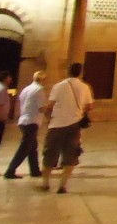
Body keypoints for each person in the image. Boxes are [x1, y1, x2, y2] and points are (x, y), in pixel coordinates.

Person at [40, 62, 93, 194]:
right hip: (75, 125)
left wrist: (49, 119)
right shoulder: (85, 87)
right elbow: (89, 106)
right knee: (71, 155)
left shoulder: (59, 86)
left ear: (68, 71)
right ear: (81, 73)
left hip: (57, 124)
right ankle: (62, 186)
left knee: (50, 153)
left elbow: (50, 106)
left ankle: (45, 183)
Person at [4, 70, 46, 179]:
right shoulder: (39, 90)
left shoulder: (26, 89)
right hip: (32, 122)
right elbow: (41, 108)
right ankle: (10, 170)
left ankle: (35, 170)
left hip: (23, 121)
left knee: (32, 147)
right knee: (25, 148)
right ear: (42, 80)